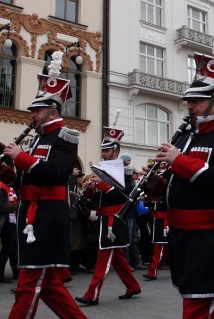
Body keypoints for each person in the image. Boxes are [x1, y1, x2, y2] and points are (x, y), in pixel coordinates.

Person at [148, 53, 214, 319]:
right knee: (205, 301)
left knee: (198, 304)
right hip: (183, 235)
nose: (189, 107)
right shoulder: (185, 137)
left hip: (208, 236)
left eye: (197, 101)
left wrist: (178, 161)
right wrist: (155, 184)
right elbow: (174, 186)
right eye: (188, 101)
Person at [0, 51, 87, 319]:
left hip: (48, 216)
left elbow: (55, 172)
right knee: (47, 287)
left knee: (28, 283)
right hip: (31, 215)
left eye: (38, 110)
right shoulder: (36, 139)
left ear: (53, 110)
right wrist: (4, 170)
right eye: (34, 111)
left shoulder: (66, 137)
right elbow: (25, 179)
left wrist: (20, 157)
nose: (33, 115)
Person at [75, 127, 141, 306]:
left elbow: (125, 197)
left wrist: (102, 185)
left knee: (103, 258)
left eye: (107, 150)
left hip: (115, 219)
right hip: (105, 218)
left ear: (116, 151)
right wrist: (90, 189)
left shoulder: (126, 172)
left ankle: (92, 294)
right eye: (103, 150)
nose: (103, 154)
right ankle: (133, 286)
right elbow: (97, 198)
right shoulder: (102, 168)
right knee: (118, 257)